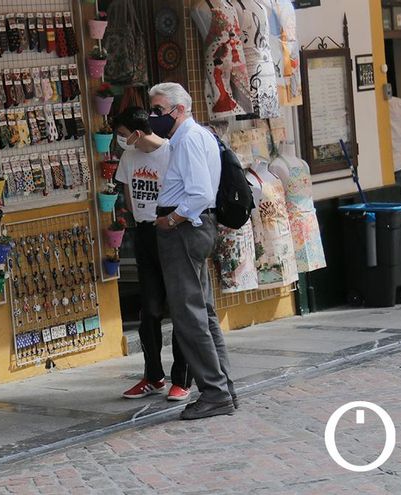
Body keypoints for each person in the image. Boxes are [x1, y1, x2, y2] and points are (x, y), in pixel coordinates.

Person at [147, 82, 237, 420]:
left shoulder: (188, 139)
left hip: (186, 230)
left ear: (178, 109)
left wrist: (171, 220)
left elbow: (198, 193)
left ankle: (215, 393)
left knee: (189, 315)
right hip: (193, 229)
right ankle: (222, 387)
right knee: (203, 311)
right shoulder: (192, 137)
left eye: (158, 110)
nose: (153, 117)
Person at [113, 107, 192, 403]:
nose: (120, 140)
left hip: (171, 229)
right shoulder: (129, 156)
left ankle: (183, 378)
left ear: (137, 132)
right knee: (149, 311)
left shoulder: (173, 152)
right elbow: (129, 196)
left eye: (123, 134)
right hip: (144, 231)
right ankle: (153, 375)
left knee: (180, 307)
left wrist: (171, 221)